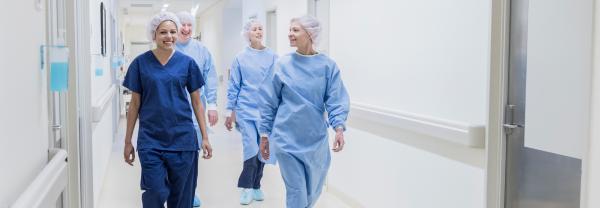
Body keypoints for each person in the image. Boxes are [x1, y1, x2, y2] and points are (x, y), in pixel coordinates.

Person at [122, 12, 213, 208]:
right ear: (153, 35)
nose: (169, 36)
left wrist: (204, 137)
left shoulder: (188, 63)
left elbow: (197, 102)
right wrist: (128, 140)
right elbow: (135, 104)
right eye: (163, 32)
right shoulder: (140, 63)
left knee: (181, 198)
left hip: (183, 140)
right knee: (155, 191)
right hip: (151, 140)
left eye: (173, 31)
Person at [258, 15, 350, 208]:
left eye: (295, 30)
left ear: (310, 34)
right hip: (286, 140)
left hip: (315, 141)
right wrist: (264, 134)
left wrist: (339, 128)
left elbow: (335, 99)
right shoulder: (282, 65)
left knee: (312, 192)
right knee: (297, 191)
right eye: (289, 30)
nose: (290, 34)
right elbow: (269, 102)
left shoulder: (327, 66)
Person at [224, 18, 278, 205]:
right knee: (251, 149)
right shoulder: (240, 58)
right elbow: (234, 86)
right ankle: (246, 188)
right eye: (254, 29)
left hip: (265, 112)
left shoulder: (273, 56)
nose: (258, 31)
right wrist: (229, 111)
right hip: (246, 109)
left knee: (263, 150)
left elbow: (277, 84)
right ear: (247, 33)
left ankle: (256, 185)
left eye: (261, 28)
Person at [174, 11, 219, 207]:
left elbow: (210, 78)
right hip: (172, 110)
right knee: (174, 155)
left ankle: (190, 191)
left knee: (192, 154)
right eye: (182, 25)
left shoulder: (201, 50)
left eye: (189, 25)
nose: (186, 29)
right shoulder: (169, 48)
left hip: (195, 110)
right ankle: (177, 191)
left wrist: (213, 105)